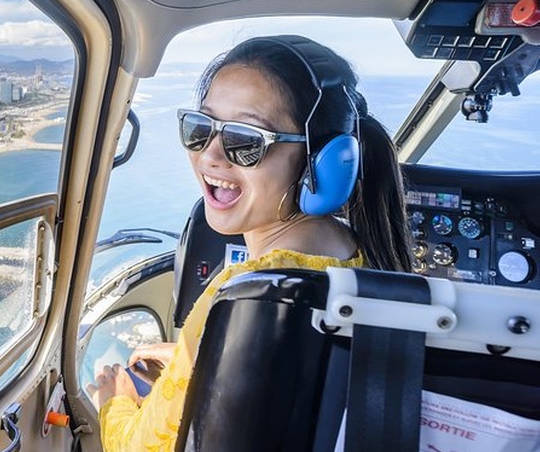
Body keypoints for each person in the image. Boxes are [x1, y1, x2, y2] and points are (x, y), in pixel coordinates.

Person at [89, 35, 411, 451]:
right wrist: (196, 362)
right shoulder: (355, 253)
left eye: (246, 141)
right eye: (200, 129)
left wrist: (114, 403)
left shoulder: (246, 291)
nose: (210, 156)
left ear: (322, 162)